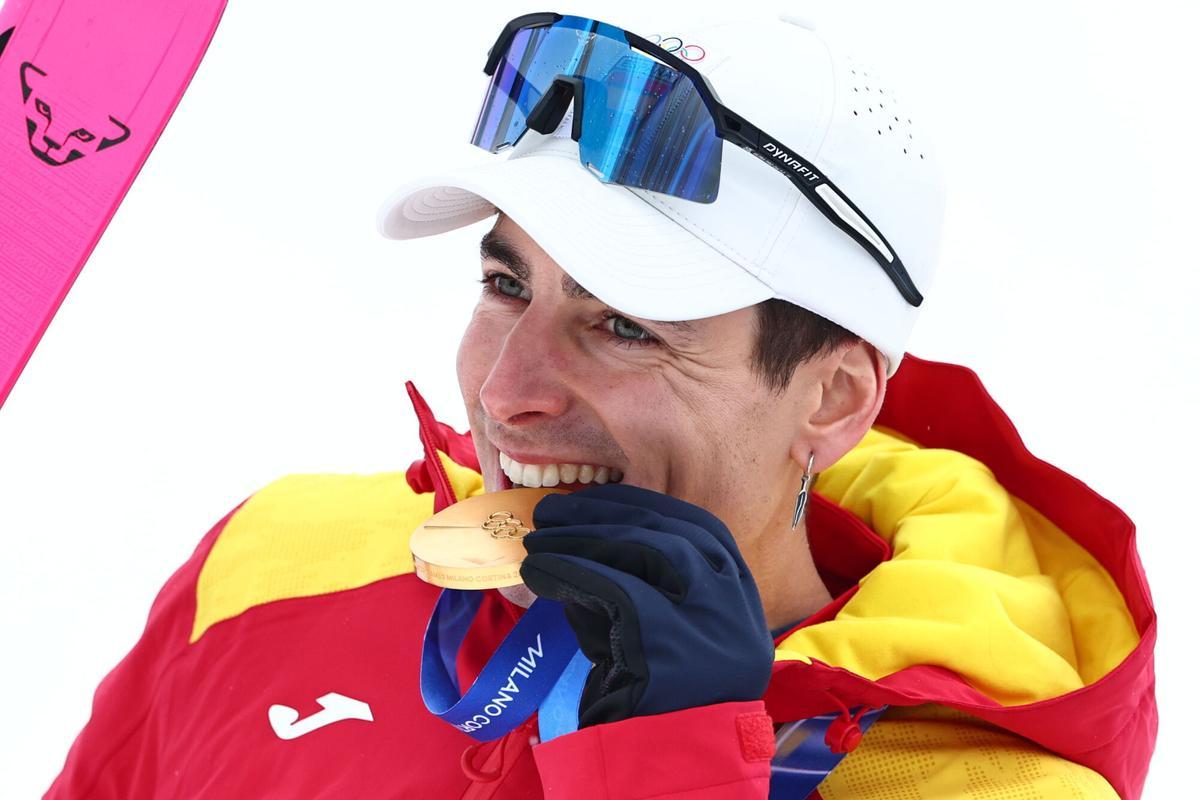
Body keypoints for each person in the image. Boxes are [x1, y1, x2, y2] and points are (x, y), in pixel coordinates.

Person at [46, 11, 1156, 799]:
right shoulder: (273, 559)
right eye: (504, 283)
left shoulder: (982, 788)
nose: (507, 393)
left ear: (832, 397)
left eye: (624, 321)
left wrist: (668, 769)